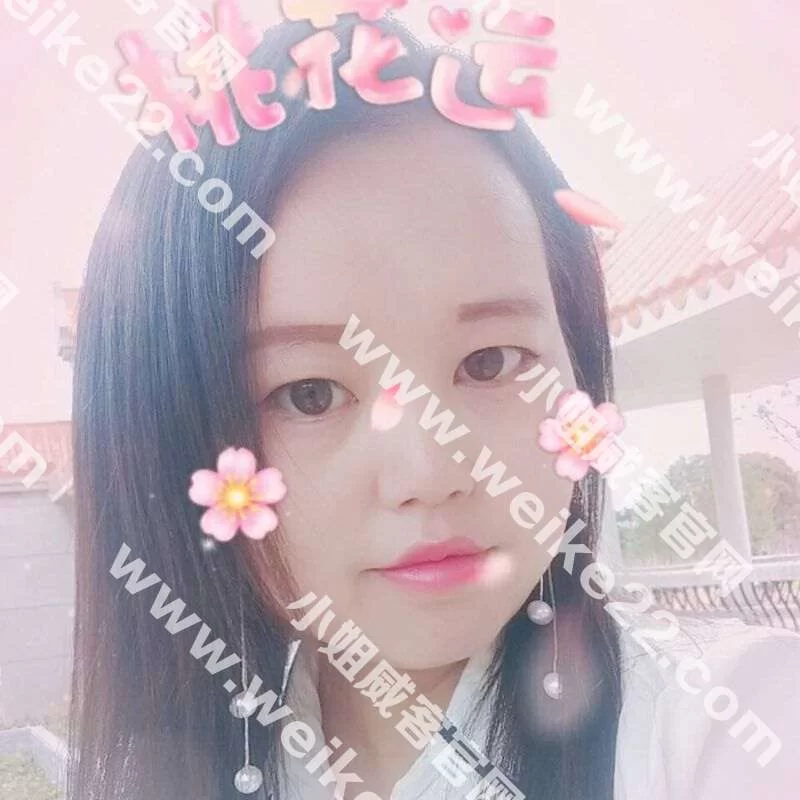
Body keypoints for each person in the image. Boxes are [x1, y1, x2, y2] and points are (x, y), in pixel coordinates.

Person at [67, 11, 800, 800]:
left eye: (491, 361)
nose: (432, 468)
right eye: (309, 394)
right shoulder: (166, 768)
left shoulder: (731, 723)